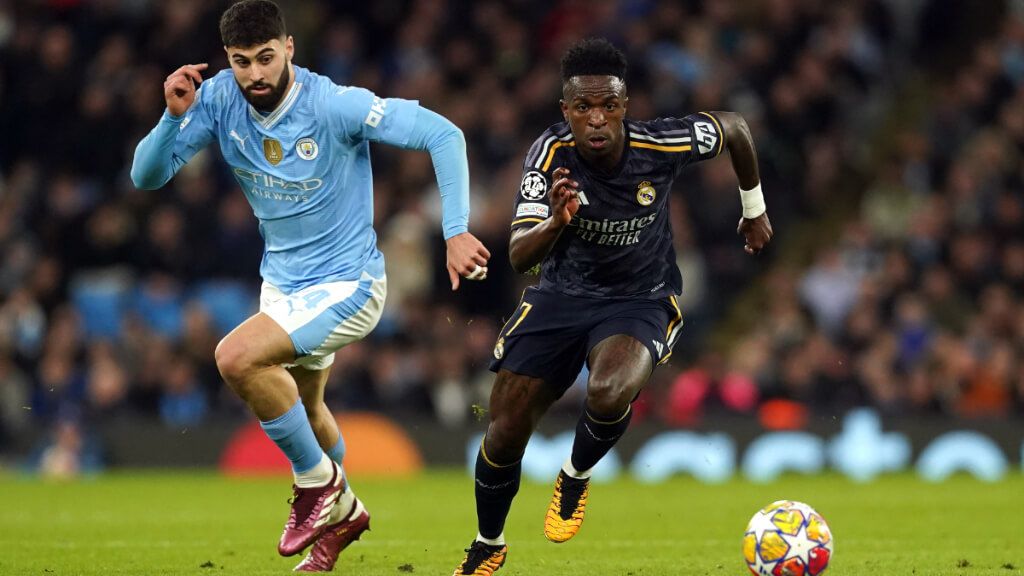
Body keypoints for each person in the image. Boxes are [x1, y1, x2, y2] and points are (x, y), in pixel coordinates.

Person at [130, 0, 490, 572]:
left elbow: (443, 135)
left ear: (289, 48)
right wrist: (172, 117)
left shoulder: (333, 104)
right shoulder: (221, 98)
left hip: (349, 282)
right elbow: (145, 177)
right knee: (310, 408)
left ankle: (321, 489)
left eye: (266, 58)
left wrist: (454, 232)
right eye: (242, 61)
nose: (255, 74)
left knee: (235, 358)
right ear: (228, 59)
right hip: (283, 286)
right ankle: (339, 524)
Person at [453, 38, 772, 575]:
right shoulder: (548, 156)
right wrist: (556, 221)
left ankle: (575, 475)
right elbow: (516, 254)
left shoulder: (661, 142)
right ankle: (489, 545)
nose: (596, 119)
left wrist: (754, 208)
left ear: (625, 107)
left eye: (608, 107)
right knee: (505, 429)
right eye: (583, 108)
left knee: (608, 389)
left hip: (639, 298)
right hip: (560, 296)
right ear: (566, 111)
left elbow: (736, 127)